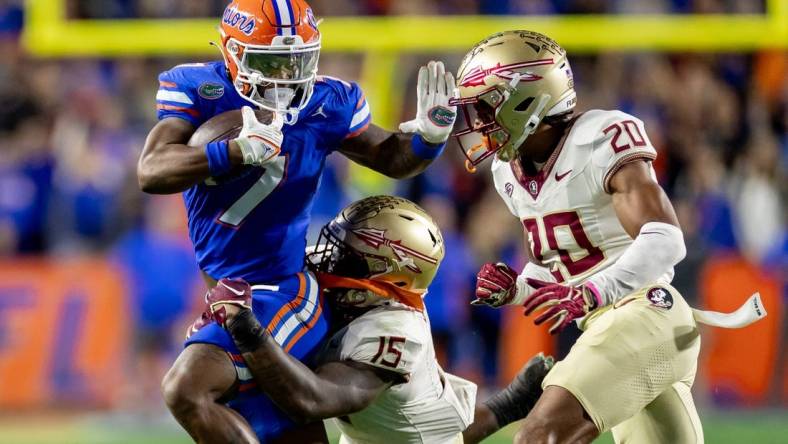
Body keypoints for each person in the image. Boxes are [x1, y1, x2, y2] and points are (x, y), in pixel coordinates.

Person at [139, 1, 458, 442]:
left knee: (187, 389)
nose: (287, 75)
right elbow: (151, 170)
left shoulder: (328, 102)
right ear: (233, 52)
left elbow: (391, 157)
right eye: (273, 61)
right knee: (276, 426)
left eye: (298, 60)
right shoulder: (199, 89)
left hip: (282, 288)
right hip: (233, 285)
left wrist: (428, 140)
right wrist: (232, 152)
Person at [454, 30, 703, 443]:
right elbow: (573, 268)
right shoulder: (508, 173)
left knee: (539, 436)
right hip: (612, 328)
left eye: (485, 107)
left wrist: (590, 293)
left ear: (526, 101)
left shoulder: (600, 138)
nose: (479, 123)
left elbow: (665, 239)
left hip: (647, 314)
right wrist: (517, 288)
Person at [204, 195, 555, 444]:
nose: (327, 259)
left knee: (429, 435)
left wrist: (247, 330)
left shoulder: (395, 333)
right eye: (336, 244)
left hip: (405, 434)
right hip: (382, 426)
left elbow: (312, 400)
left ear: (390, 280)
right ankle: (509, 404)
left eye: (346, 258)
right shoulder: (367, 290)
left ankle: (508, 405)